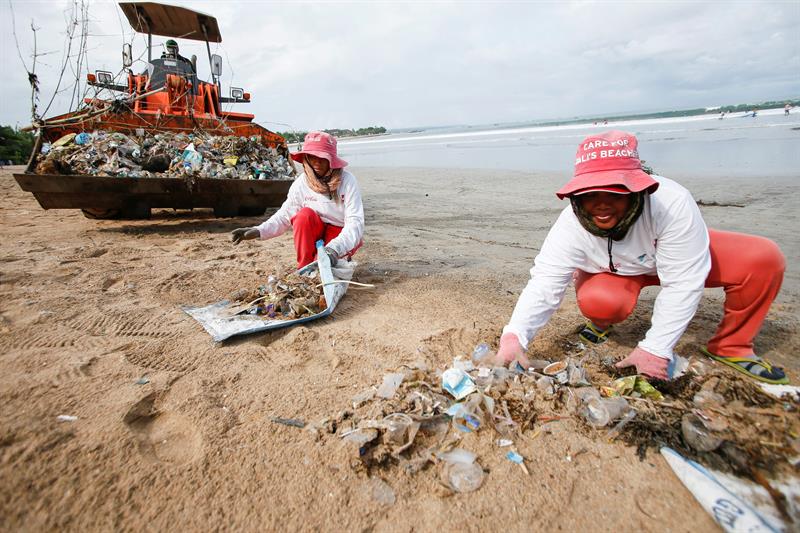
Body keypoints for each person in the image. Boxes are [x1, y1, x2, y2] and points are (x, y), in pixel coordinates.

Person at [495, 130, 788, 384]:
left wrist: (656, 349)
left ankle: (731, 345)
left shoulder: (672, 203)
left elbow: (683, 283)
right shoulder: (569, 225)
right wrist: (514, 336)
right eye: (590, 194)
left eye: (615, 193)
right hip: (617, 270)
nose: (601, 205)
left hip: (674, 255)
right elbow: (545, 282)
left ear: (637, 188)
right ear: (577, 196)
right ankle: (601, 321)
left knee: (762, 259)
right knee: (601, 301)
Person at [231, 131, 364, 268]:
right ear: (306, 158)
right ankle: (304, 267)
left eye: (322, 157)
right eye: (312, 156)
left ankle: (338, 257)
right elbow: (284, 215)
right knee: (303, 217)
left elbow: (355, 223)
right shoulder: (301, 183)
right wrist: (259, 230)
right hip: (314, 230)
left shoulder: (347, 181)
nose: (317, 162)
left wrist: (335, 249)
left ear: (331, 160)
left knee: (325, 263)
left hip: (339, 232)